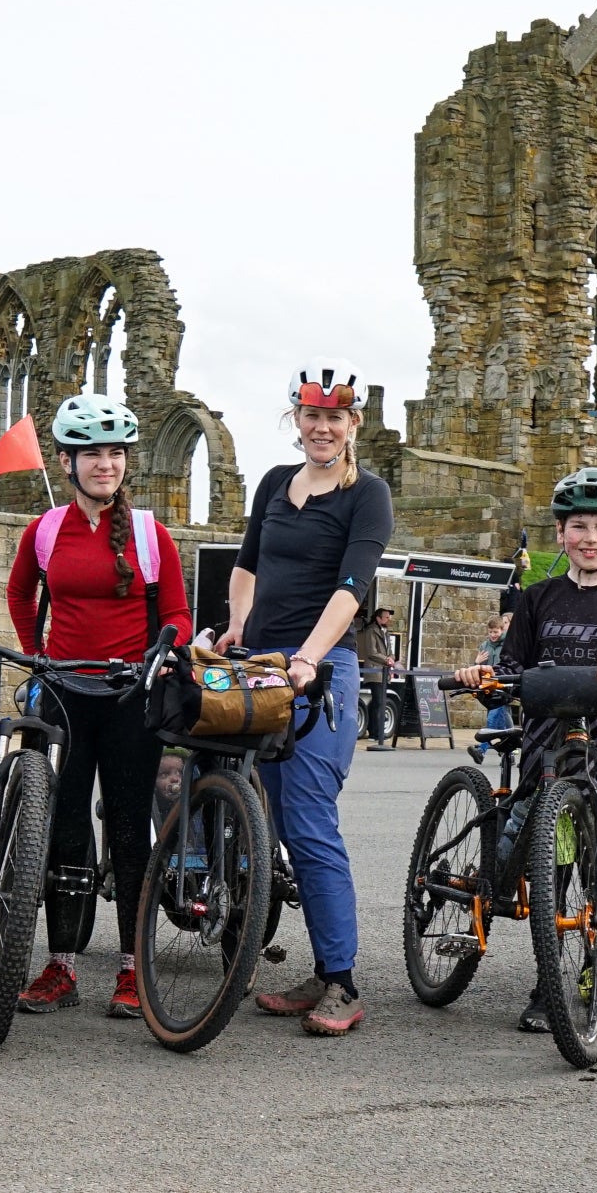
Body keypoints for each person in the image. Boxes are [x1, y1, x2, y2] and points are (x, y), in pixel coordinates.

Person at [452, 468, 597, 1037]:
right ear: (561, 534)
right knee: (551, 870)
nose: (591, 538)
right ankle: (545, 982)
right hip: (547, 751)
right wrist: (483, 678)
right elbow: (509, 670)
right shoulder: (538, 599)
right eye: (579, 526)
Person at [217, 357, 394, 1036]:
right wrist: (237, 625)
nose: (323, 427)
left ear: (353, 424)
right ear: (297, 418)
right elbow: (246, 566)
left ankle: (342, 982)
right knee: (272, 818)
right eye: (312, 415)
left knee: (309, 818)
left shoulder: (367, 494)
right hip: (262, 666)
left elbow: (351, 589)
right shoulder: (273, 483)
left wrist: (308, 659)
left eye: (335, 417)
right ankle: (318, 969)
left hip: (323, 671)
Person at [6, 393, 190, 1018]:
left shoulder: (149, 534)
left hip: (129, 695)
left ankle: (132, 969)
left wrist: (165, 652)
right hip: (64, 692)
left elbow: (176, 611)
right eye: (92, 455)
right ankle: (61, 964)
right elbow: (20, 594)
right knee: (63, 825)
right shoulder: (45, 530)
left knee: (130, 828)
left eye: (115, 453)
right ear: (67, 463)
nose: (106, 464)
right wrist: (36, 656)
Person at [356, 605, 396, 750]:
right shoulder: (371, 631)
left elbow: (390, 651)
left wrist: (391, 658)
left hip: (384, 671)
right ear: (378, 618)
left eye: (389, 617)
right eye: (386, 617)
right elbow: (371, 652)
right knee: (378, 701)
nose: (388, 620)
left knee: (380, 702)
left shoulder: (386, 632)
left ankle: (377, 731)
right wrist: (386, 660)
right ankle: (374, 732)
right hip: (374, 670)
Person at [475, 613, 512, 730]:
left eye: (495, 632)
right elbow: (478, 668)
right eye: (490, 632)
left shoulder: (508, 644)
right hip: (488, 683)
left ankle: (487, 740)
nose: (492, 635)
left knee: (495, 715)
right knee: (501, 714)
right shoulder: (484, 646)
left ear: (502, 630)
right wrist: (477, 662)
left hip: (502, 682)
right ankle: (510, 738)